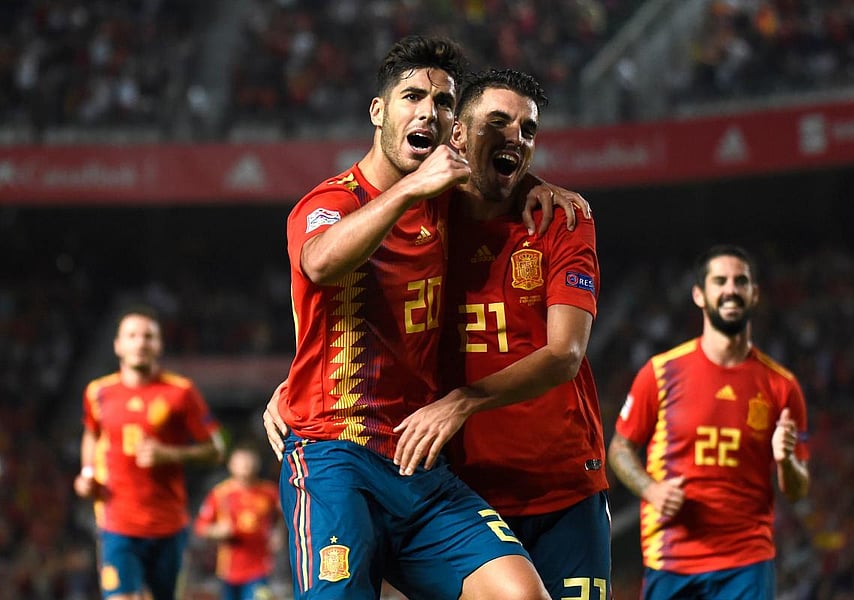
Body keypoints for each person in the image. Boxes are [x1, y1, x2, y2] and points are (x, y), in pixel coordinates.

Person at [266, 35, 578, 600]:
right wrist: (413, 187)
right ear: (378, 111)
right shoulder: (330, 203)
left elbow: (497, 174)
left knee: (523, 595)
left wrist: (537, 184)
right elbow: (319, 262)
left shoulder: (444, 202)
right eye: (412, 96)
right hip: (334, 453)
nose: (427, 112)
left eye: (441, 103)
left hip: (417, 459)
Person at [389, 68, 612, 599]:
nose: (516, 136)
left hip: (563, 487)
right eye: (497, 121)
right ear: (458, 134)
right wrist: (297, 385)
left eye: (528, 130)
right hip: (461, 494)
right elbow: (350, 315)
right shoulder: (415, 220)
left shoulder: (562, 219)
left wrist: (462, 401)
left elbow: (566, 354)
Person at [606, 244, 811, 600]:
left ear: (754, 293)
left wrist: (787, 460)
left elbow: (797, 489)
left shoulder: (782, 386)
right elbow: (620, 448)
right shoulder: (661, 373)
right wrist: (650, 489)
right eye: (720, 281)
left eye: (740, 281)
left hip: (747, 562)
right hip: (672, 558)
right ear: (700, 295)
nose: (730, 289)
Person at [73, 305, 226, 600]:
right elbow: (91, 435)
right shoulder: (97, 392)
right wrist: (88, 474)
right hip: (116, 522)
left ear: (159, 345)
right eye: (132, 335)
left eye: (148, 336)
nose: (140, 342)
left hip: (168, 524)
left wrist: (169, 454)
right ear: (118, 345)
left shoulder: (181, 392)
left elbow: (217, 450)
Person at [194, 443, 284, 600]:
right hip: (228, 569)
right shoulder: (220, 494)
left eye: (249, 461)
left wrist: (279, 532)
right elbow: (201, 527)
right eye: (241, 461)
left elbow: (283, 515)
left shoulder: (269, 492)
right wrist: (217, 531)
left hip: (260, 567)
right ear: (231, 465)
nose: (245, 465)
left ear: (257, 463)